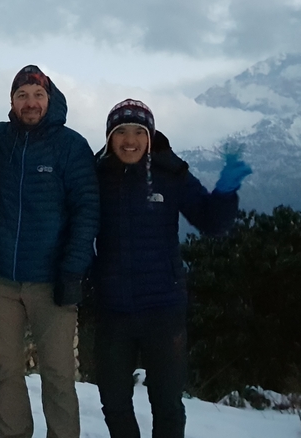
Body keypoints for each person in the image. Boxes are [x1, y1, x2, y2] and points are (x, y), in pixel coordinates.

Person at [86, 99, 251, 438]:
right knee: (114, 403)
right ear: (108, 137)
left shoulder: (171, 175)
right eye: (120, 132)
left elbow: (211, 223)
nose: (129, 140)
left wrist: (225, 191)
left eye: (138, 132)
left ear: (150, 136)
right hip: (112, 311)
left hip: (163, 309)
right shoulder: (95, 177)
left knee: (168, 404)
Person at [0, 65, 99, 438]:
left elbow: (87, 210)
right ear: (12, 102)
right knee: (4, 369)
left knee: (59, 372)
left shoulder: (71, 145)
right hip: (0, 278)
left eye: (37, 95)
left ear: (50, 99)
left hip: (52, 280)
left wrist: (74, 269)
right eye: (22, 96)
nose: (30, 102)